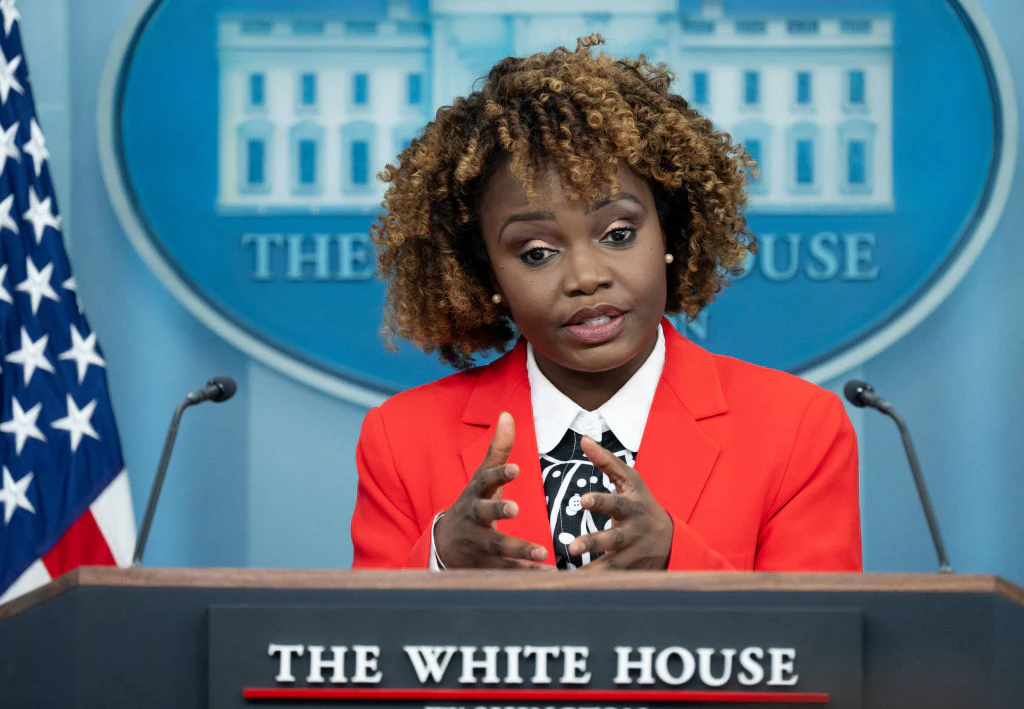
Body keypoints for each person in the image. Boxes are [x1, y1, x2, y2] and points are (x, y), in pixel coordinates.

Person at [350, 36, 861, 572]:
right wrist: (440, 559)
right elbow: (352, 649)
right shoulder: (401, 438)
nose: (586, 277)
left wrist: (676, 560)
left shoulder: (798, 427)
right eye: (537, 252)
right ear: (486, 272)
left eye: (618, 234)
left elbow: (821, 643)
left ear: (670, 230)